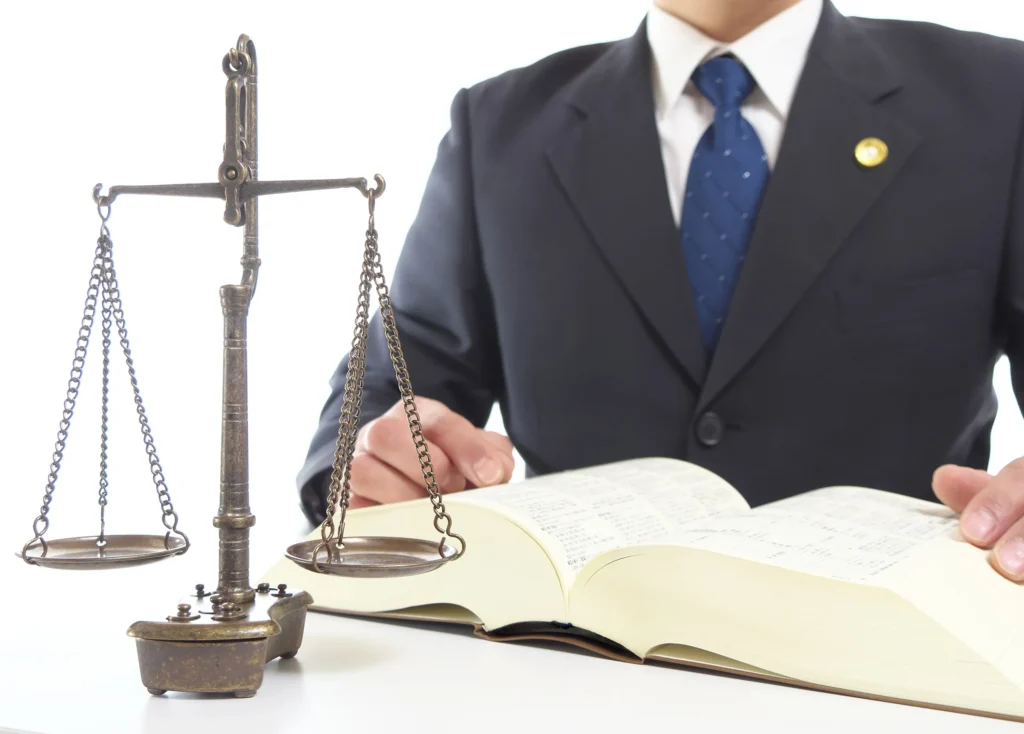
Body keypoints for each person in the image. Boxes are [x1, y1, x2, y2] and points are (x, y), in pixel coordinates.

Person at [298, 0, 1024, 581]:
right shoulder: (499, 126)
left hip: (892, 661)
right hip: (568, 654)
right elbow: (397, 379)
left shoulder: (998, 101)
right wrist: (369, 465)